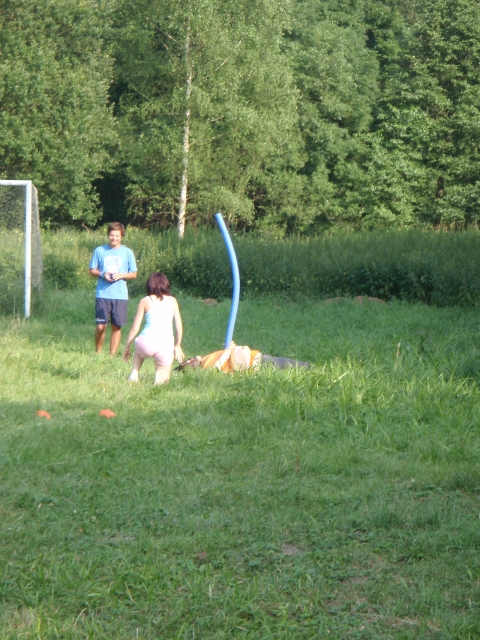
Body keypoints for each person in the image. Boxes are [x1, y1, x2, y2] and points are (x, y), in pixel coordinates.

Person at [123, 272, 184, 385]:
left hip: (147, 342)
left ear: (149, 285)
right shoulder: (173, 301)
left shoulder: (145, 301)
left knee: (139, 350)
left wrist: (127, 347)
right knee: (165, 377)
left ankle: (134, 373)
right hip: (165, 345)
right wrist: (177, 345)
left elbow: (134, 328)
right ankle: (160, 375)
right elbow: (179, 327)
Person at [89, 222, 137, 356]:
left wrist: (121, 275)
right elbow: (92, 270)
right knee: (101, 326)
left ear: (121, 236)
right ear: (108, 235)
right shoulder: (99, 251)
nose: (114, 238)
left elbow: (134, 274)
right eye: (111, 235)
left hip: (120, 296)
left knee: (116, 327)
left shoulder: (127, 252)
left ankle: (111, 356)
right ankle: (98, 352)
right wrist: (102, 274)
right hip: (102, 294)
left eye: (117, 235)